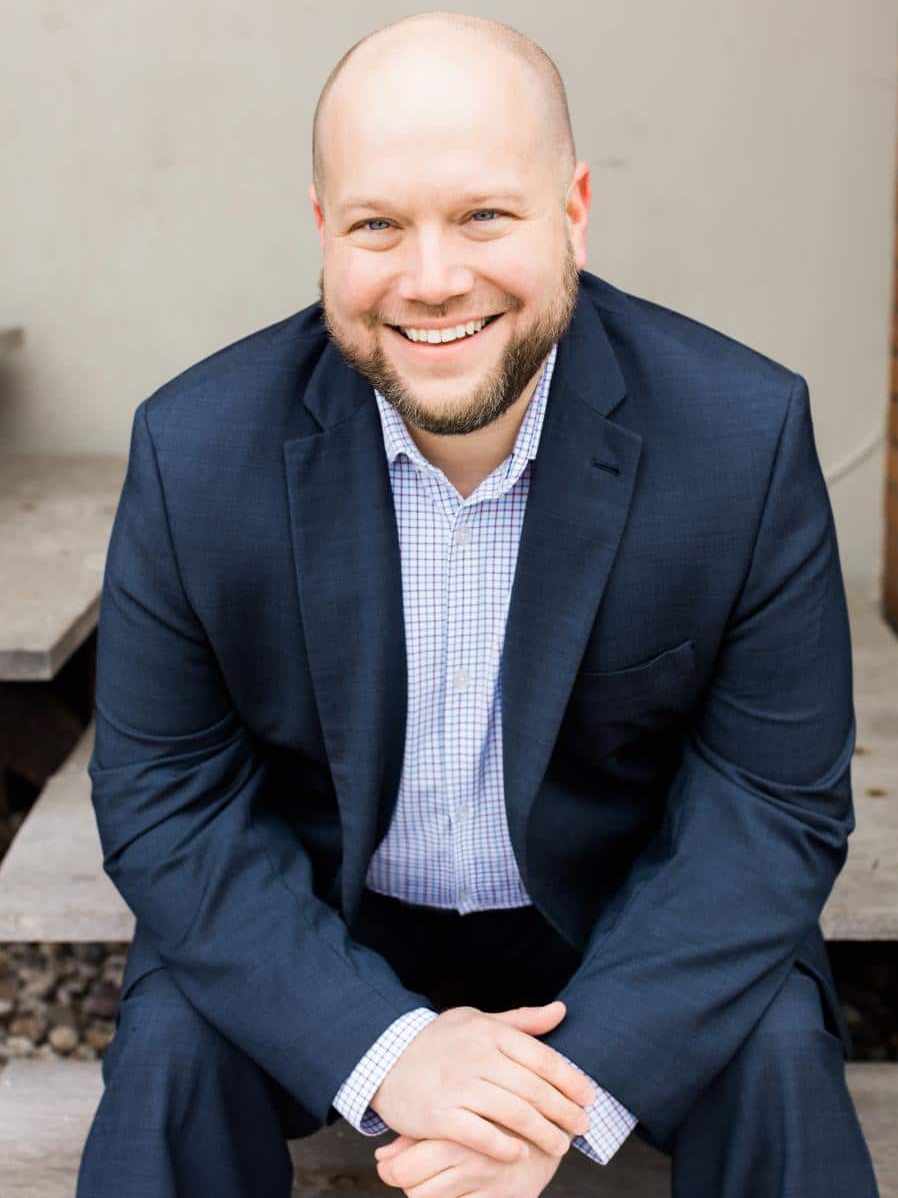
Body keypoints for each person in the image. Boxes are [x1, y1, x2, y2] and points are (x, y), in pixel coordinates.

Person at [76, 10, 880, 1198]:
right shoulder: (194, 450)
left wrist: (560, 1094)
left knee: (774, 1046)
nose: (432, 278)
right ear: (322, 228)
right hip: (325, 917)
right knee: (170, 1053)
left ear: (574, 210)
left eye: (484, 215)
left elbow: (770, 804)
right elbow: (167, 800)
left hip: (620, 923)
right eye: (377, 225)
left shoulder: (740, 437)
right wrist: (387, 1050)